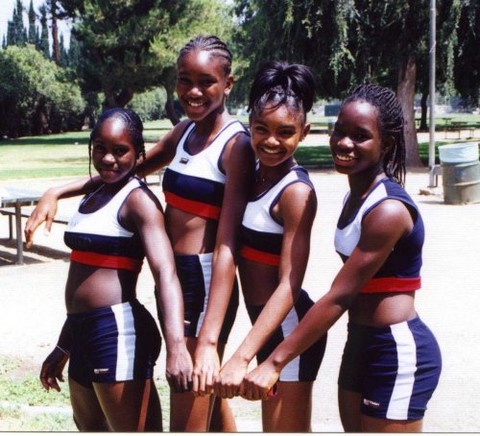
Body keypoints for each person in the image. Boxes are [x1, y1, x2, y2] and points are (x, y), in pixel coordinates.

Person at [25, 35, 255, 432]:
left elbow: (227, 246)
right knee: (209, 405)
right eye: (185, 80)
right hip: (177, 281)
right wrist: (58, 191)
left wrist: (208, 342)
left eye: (206, 82)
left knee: (191, 409)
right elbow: (123, 168)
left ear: (228, 84)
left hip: (204, 283)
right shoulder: (185, 132)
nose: (193, 91)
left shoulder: (237, 146)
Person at [238, 84, 442, 432]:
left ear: (386, 143)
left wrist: (274, 362)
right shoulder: (356, 197)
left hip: (396, 348)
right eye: (340, 131)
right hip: (359, 340)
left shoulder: (388, 210)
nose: (344, 143)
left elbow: (339, 296)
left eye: (360, 136)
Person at [38, 108, 192, 431]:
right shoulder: (93, 194)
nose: (108, 159)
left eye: (120, 150)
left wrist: (177, 346)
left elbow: (166, 273)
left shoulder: (138, 202)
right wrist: (64, 344)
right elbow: (84, 281)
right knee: (91, 429)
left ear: (139, 154)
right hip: (81, 331)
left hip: (115, 331)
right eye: (100, 148)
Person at [212, 61, 327, 432]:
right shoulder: (255, 174)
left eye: (285, 132)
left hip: (288, 331)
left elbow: (290, 284)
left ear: (304, 133)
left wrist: (241, 357)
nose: (271, 141)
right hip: (265, 327)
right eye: (261, 129)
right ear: (249, 124)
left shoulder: (295, 193)